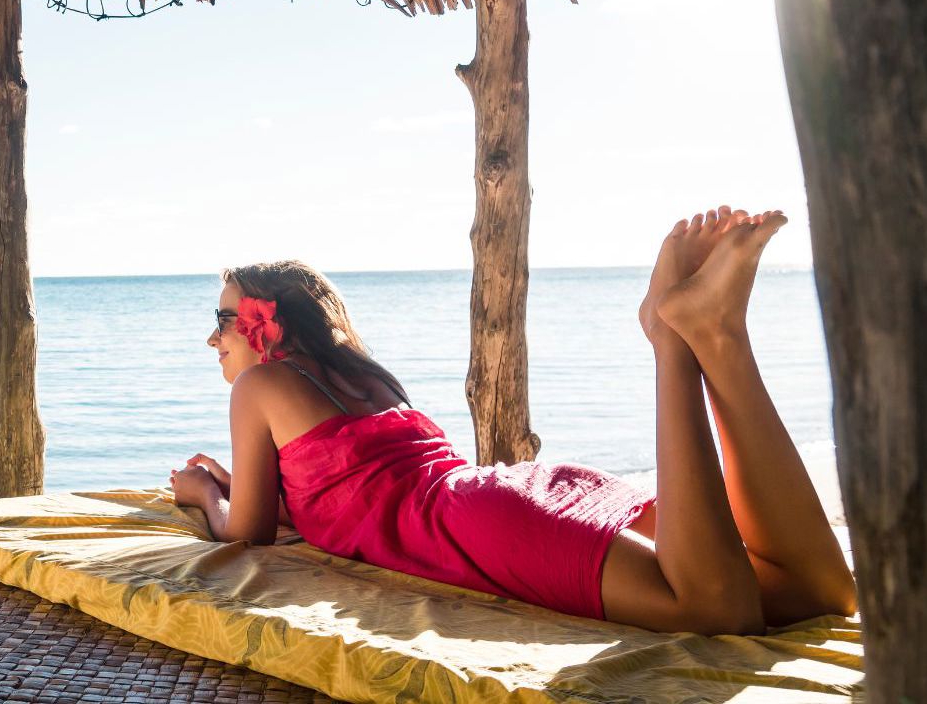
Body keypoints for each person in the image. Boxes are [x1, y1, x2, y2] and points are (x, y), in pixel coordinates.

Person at [169, 207, 857, 633]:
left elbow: (249, 534)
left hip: (479, 528)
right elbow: (348, 496)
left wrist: (206, 494)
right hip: (511, 493)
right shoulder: (363, 377)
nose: (213, 339)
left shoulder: (260, 384)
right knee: (820, 592)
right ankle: (723, 339)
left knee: (715, 612)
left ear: (266, 328)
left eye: (223, 320)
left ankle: (674, 339)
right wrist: (258, 487)